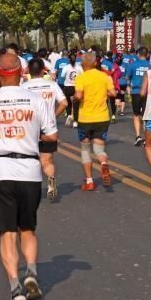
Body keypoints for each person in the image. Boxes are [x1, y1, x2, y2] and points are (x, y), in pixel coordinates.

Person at [0, 53, 57, 300]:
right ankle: (31, 273)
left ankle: (15, 288)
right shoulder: (35, 100)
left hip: (1, 171)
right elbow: (51, 136)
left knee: (7, 232)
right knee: (28, 228)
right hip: (30, 169)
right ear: (22, 73)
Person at [22, 58, 68, 202]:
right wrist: (53, 115)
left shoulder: (24, 87)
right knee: (47, 160)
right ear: (43, 70)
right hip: (49, 127)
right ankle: (51, 180)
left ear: (28, 70)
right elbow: (64, 103)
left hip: (30, 128)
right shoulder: (52, 85)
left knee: (29, 160)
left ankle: (30, 190)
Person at [74, 52, 117, 191]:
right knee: (99, 149)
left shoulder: (81, 78)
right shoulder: (104, 76)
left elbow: (79, 96)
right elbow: (113, 94)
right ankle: (103, 163)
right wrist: (105, 93)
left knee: (85, 149)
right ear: (95, 63)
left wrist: (73, 98)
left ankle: (89, 181)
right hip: (102, 117)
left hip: (85, 118)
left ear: (82, 64)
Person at [125, 47, 151, 147]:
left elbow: (127, 77)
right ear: (147, 55)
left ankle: (138, 136)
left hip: (136, 91)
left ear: (138, 54)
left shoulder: (132, 65)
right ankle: (146, 138)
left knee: (136, 114)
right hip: (148, 93)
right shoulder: (150, 65)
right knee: (146, 116)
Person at [61, 52, 83, 128]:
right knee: (76, 105)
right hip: (77, 87)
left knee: (68, 104)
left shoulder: (66, 67)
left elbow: (62, 76)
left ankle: (69, 114)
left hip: (67, 87)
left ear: (69, 59)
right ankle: (76, 122)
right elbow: (83, 76)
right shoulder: (79, 67)